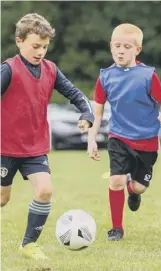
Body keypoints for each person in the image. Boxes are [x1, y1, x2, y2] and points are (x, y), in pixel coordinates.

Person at [1, 13, 94, 259]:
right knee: (2, 198)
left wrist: (87, 113)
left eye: (44, 46)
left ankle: (28, 245)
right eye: (35, 46)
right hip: (4, 147)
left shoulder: (51, 70)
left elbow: (75, 94)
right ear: (19, 41)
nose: (40, 51)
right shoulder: (8, 70)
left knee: (45, 190)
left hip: (34, 148)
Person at [88, 23, 161, 241]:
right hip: (118, 137)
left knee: (139, 187)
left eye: (127, 46)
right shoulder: (105, 77)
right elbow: (97, 114)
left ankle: (133, 192)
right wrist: (91, 139)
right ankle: (117, 228)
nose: (121, 50)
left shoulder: (147, 76)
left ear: (138, 49)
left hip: (147, 141)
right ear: (111, 47)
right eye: (117, 46)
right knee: (115, 180)